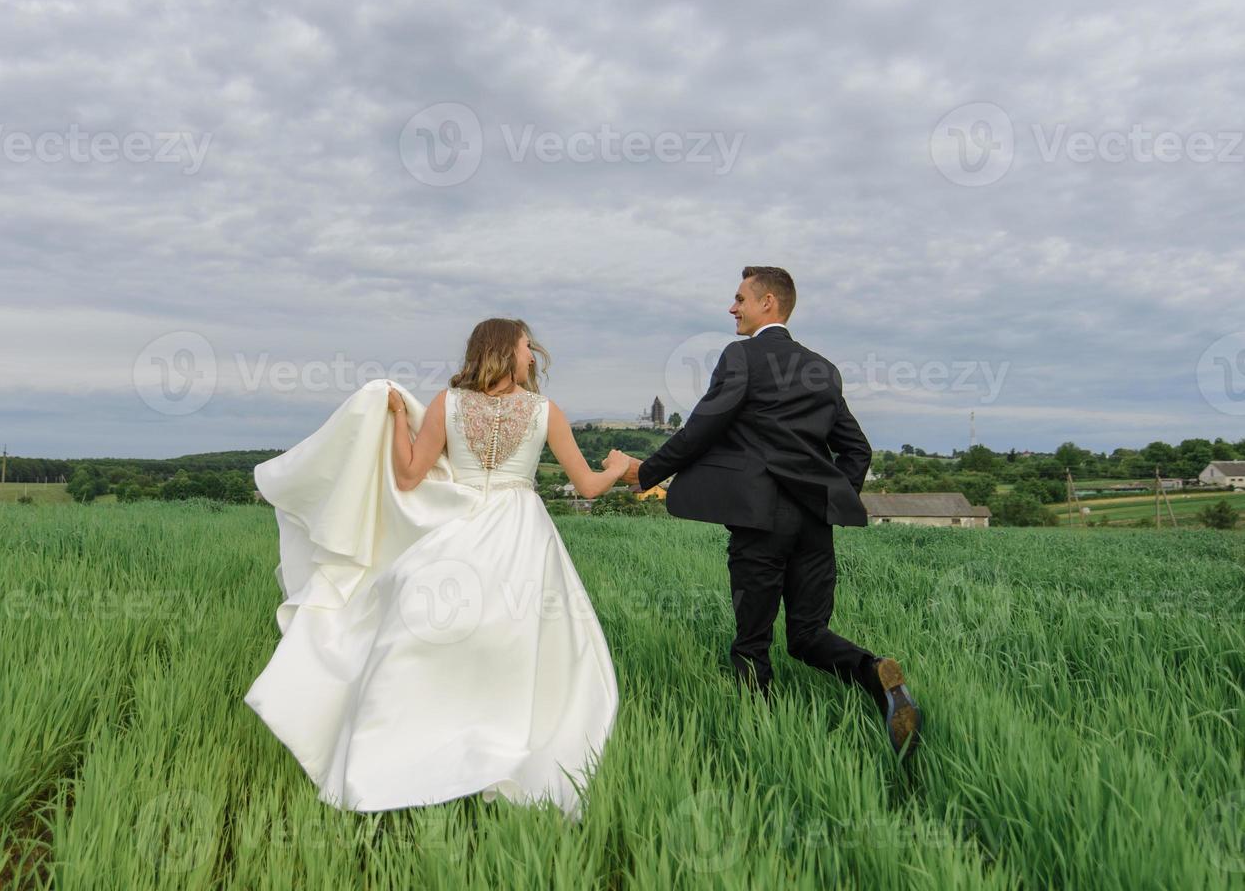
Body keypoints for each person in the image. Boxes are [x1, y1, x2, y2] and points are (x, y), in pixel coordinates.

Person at [244, 318, 625, 817]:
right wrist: (617, 466)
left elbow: (406, 476)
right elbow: (590, 487)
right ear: (507, 352)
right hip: (520, 533)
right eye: (527, 347)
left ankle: (412, 752)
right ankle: (500, 747)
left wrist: (400, 419)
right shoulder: (545, 412)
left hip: (460, 528)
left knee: (424, 631)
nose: (534, 356)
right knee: (521, 642)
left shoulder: (448, 404)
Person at [618, 266, 922, 757]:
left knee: (752, 641)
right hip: (813, 525)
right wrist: (829, 499)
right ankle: (875, 673)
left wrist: (645, 472)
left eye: (740, 299)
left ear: (769, 304)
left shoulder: (742, 356)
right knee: (808, 635)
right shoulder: (823, 368)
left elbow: (702, 429)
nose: (732, 308)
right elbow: (856, 450)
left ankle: (759, 744)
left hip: (759, 522)